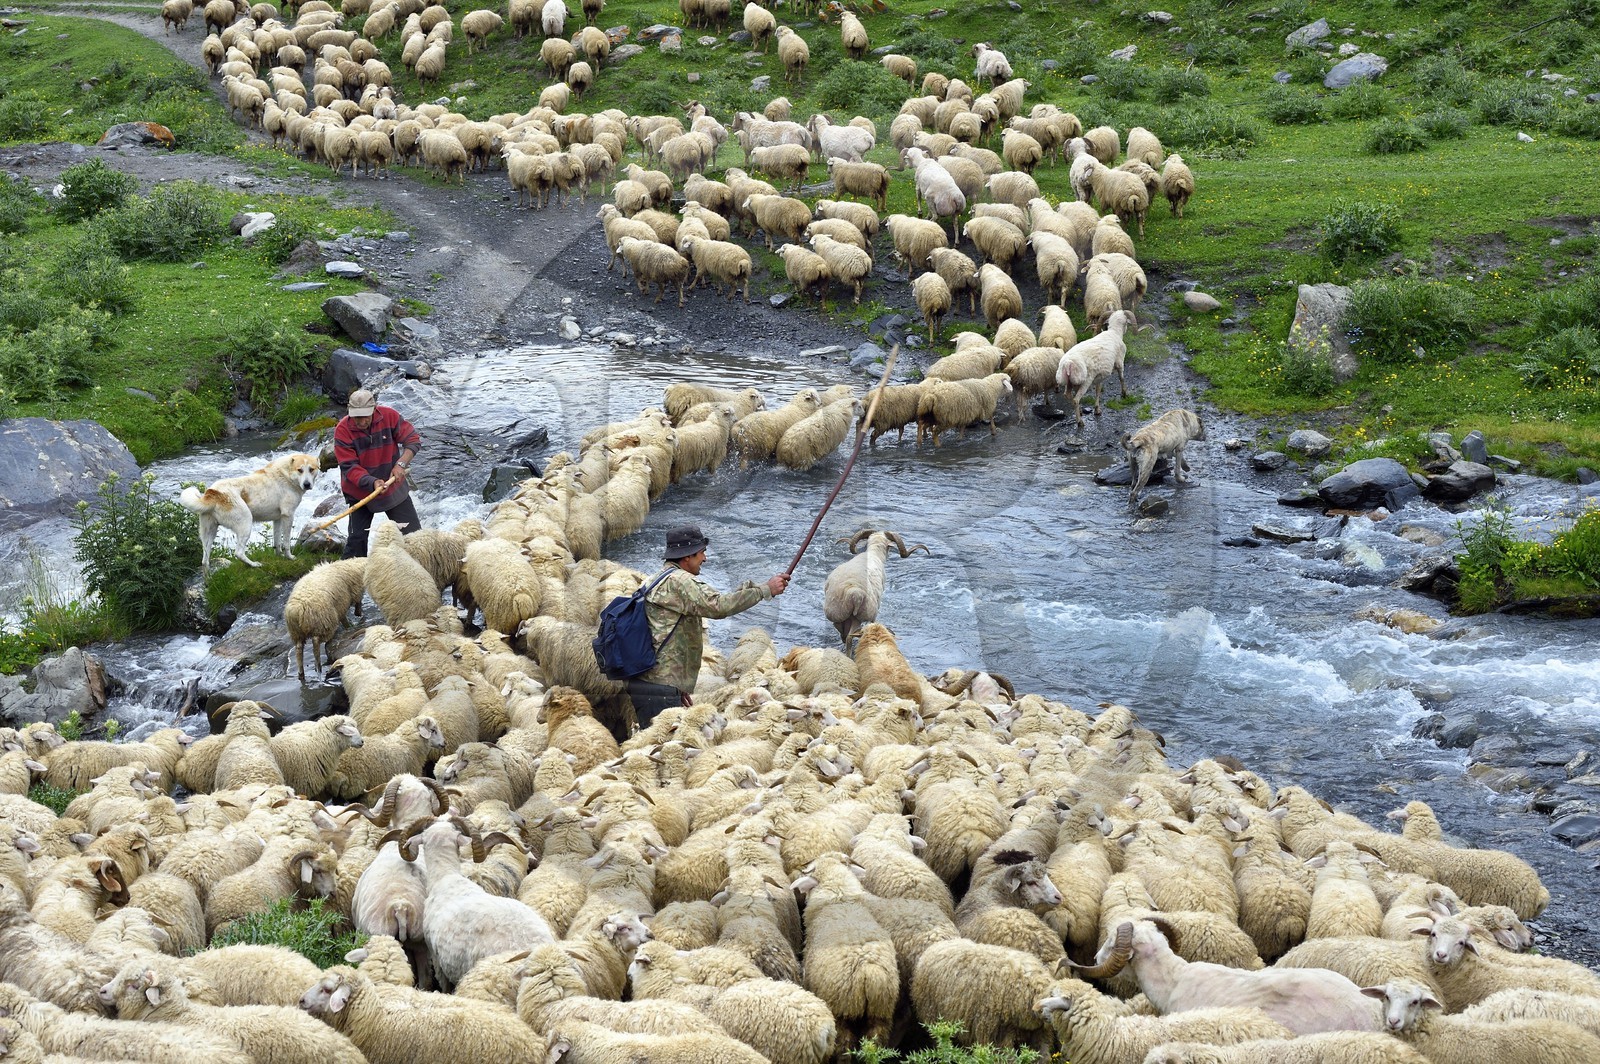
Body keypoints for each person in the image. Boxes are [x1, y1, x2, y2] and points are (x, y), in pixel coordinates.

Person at [627, 524, 790, 728]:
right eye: (702, 552)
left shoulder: (657, 578)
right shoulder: (680, 582)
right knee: (663, 745)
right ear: (687, 556)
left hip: (653, 681)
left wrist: (679, 687)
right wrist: (766, 590)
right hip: (660, 686)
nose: (705, 558)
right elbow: (719, 606)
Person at [334, 388, 422, 559]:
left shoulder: (390, 416)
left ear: (375, 409)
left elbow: (412, 440)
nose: (361, 421)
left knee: (415, 537)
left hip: (392, 486)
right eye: (357, 417)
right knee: (356, 540)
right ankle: (351, 579)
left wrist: (401, 464)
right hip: (360, 492)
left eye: (365, 416)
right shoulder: (342, 430)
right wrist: (372, 482)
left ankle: (420, 572)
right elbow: (349, 467)